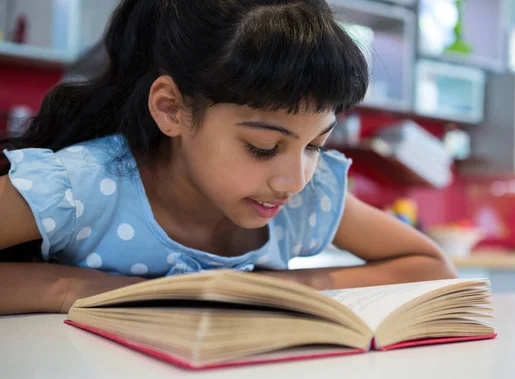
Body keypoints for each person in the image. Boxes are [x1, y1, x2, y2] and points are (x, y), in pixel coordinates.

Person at [0, 0, 456, 315]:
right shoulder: (86, 185)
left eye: (316, 146)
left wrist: (264, 290)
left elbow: (434, 268)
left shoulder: (301, 198)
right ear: (171, 109)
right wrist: (67, 287)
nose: (294, 180)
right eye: (263, 147)